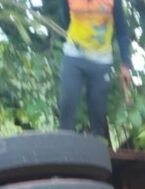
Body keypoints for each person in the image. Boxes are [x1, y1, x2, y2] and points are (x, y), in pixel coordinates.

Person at [58, 0, 133, 139]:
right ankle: (64, 148)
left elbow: (122, 31)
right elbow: (66, 19)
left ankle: (96, 147)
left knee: (98, 111)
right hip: (74, 55)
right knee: (67, 102)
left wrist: (125, 64)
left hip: (101, 60)